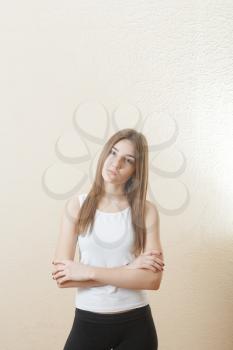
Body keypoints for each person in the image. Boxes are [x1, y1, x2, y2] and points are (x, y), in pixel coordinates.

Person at [52, 128, 165, 350]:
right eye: (113, 153)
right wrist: (131, 269)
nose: (116, 163)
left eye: (128, 159)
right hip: (88, 323)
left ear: (135, 170)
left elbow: (152, 281)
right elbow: (62, 277)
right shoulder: (77, 206)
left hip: (136, 325)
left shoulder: (145, 211)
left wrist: (88, 271)